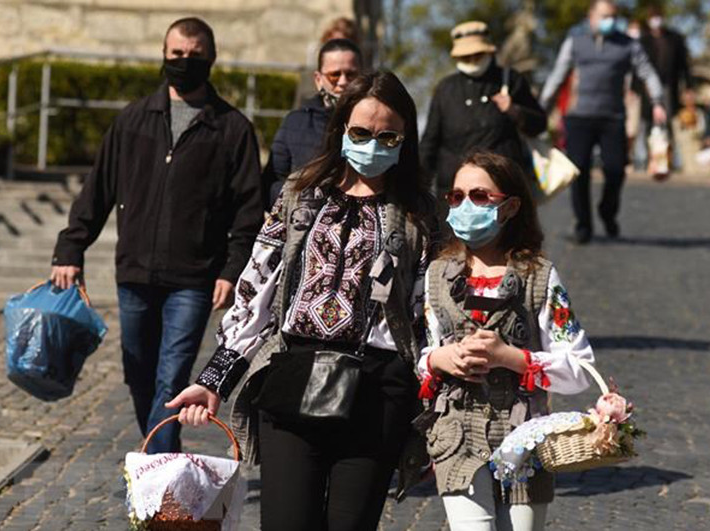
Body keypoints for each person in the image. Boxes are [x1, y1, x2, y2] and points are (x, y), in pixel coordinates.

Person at [166, 70, 436, 531]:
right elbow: (257, 290)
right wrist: (215, 380)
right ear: (341, 131)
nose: (373, 144)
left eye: (387, 136)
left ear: (404, 140)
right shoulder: (300, 195)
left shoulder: (420, 213)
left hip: (379, 391)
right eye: (361, 133)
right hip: (294, 376)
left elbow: (429, 314)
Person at [50, 17, 264, 453]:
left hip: (194, 278)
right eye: (177, 55)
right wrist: (70, 246)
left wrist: (232, 269)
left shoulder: (232, 129)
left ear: (211, 58)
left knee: (171, 375)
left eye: (195, 55)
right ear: (164, 56)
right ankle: (160, 450)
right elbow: (98, 188)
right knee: (139, 372)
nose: (185, 62)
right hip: (134, 274)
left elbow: (248, 211)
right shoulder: (133, 120)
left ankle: (158, 468)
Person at [419, 149, 594, 531]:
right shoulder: (436, 276)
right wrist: (440, 360)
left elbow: (580, 369)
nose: (466, 205)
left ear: (511, 206)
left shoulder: (539, 277)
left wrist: (513, 358)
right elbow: (422, 352)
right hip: (456, 434)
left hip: (525, 438)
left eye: (479, 196)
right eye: (457, 196)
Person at [540, 0, 666, 244]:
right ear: (591, 16)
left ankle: (607, 211)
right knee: (580, 172)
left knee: (616, 169)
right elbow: (558, 74)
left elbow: (647, 72)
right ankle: (583, 225)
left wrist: (658, 101)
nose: (610, 21)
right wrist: (542, 107)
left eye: (614, 16)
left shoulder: (628, 45)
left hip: (613, 117)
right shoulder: (575, 42)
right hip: (579, 118)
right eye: (605, 16)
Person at [420, 20, 547, 196]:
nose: (472, 60)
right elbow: (429, 142)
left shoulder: (511, 80)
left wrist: (515, 111)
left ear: (489, 51)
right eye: (466, 56)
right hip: (454, 191)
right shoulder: (445, 89)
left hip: (503, 187)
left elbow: (540, 124)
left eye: (478, 54)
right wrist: (419, 188)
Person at [262, 38, 362, 206]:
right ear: (318, 79)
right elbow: (273, 180)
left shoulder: (377, 123)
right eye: (334, 75)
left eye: (351, 74)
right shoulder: (296, 122)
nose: (343, 82)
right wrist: (298, 206)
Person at [637, 6, 694, 140]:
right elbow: (637, 66)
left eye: (658, 18)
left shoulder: (674, 38)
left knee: (669, 119)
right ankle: (649, 155)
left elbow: (684, 65)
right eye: (653, 18)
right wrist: (636, 87)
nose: (656, 21)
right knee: (647, 121)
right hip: (647, 87)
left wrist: (689, 86)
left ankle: (669, 152)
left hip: (668, 85)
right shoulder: (643, 41)